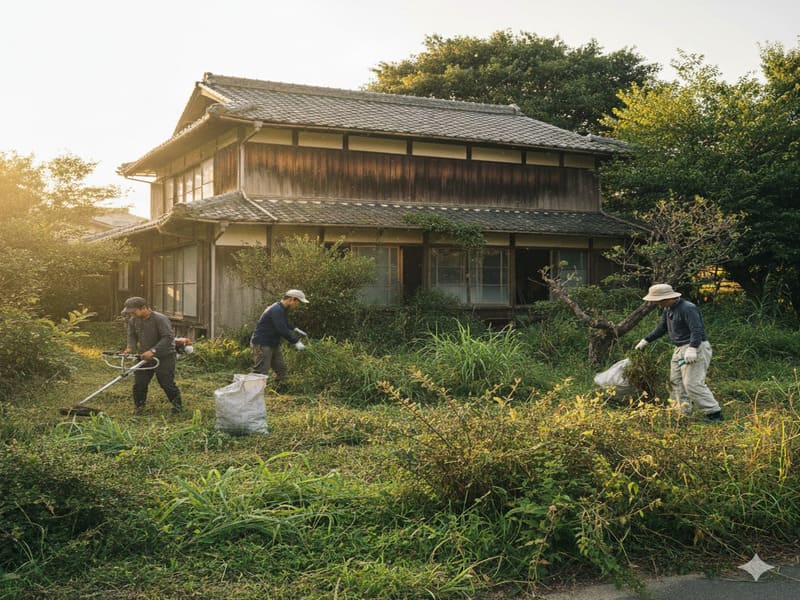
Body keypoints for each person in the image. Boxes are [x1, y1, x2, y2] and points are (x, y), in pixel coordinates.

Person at [634, 283, 722, 421]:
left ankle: (714, 413)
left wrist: (693, 347)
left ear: (666, 298)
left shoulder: (688, 308)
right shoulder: (668, 309)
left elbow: (696, 329)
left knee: (692, 384)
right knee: (675, 382)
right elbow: (662, 328)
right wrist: (646, 340)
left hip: (695, 348)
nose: (657, 303)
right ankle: (681, 413)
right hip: (679, 349)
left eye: (658, 301)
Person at [121, 297, 183, 414]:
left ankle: (178, 407)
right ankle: (139, 408)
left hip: (164, 356)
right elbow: (132, 335)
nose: (132, 314)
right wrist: (130, 347)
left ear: (143, 308)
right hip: (144, 356)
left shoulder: (160, 319)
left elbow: (168, 338)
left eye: (133, 311)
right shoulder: (134, 320)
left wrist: (153, 351)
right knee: (139, 383)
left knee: (166, 383)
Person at [250, 289, 309, 389]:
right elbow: (281, 329)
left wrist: (295, 328)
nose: (297, 305)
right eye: (298, 302)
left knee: (281, 368)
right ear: (292, 299)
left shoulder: (282, 309)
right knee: (261, 371)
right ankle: (252, 393)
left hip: (273, 343)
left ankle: (280, 388)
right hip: (262, 343)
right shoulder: (276, 309)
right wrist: (295, 341)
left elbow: (285, 323)